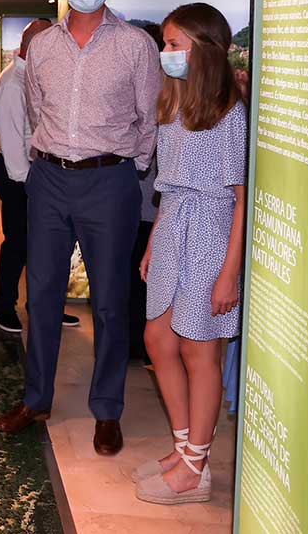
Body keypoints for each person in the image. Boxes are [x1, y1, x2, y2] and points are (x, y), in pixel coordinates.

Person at [0, 0, 162, 458]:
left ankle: (107, 410)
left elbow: (149, 119)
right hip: (48, 178)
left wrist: (125, 168)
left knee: (111, 301)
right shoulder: (42, 47)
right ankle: (36, 399)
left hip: (108, 180)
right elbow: (34, 107)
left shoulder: (135, 45)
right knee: (40, 296)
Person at [134, 3, 246, 504]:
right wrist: (156, 241)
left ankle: (196, 466)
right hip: (174, 226)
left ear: (203, 48)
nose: (167, 53)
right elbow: (169, 187)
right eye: (166, 43)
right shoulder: (174, 106)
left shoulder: (229, 114)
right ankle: (184, 447)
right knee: (158, 338)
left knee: (200, 350)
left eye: (175, 44)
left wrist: (230, 274)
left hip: (211, 234)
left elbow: (242, 200)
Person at [0, 18, 81, 333]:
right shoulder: (12, 84)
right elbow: (15, 146)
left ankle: (43, 307)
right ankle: (5, 307)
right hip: (21, 178)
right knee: (17, 243)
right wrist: (33, 187)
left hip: (40, 176)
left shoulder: (34, 77)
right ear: (33, 45)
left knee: (43, 247)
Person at [130, 23, 165, 363]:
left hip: (151, 207)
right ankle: (135, 344)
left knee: (139, 276)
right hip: (139, 202)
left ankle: (138, 344)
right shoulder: (159, 89)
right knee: (134, 275)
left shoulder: (168, 91)